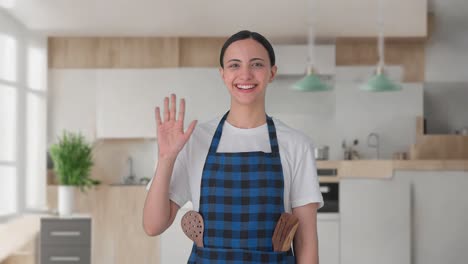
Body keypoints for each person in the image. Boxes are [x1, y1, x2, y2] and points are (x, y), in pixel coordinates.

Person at [143, 30, 323, 264]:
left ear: (272, 73)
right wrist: (166, 158)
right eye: (234, 65)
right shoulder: (195, 140)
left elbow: (306, 242)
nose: (245, 74)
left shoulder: (296, 144)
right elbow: (153, 225)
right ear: (223, 74)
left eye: (256, 64)